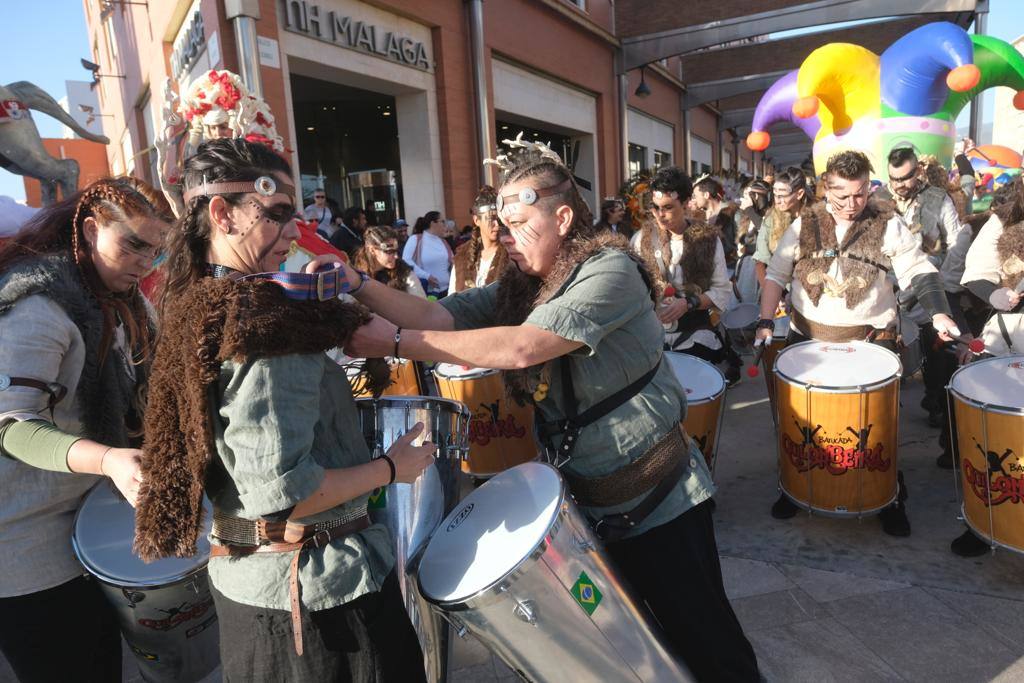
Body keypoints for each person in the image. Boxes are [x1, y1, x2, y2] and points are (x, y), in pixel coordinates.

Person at [338, 139, 760, 681]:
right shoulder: (525, 284)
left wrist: (394, 343)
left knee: (708, 642)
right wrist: (356, 283)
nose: (505, 237)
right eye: (501, 224)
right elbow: (437, 316)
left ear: (562, 217)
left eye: (518, 223)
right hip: (588, 506)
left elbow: (523, 347)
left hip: (661, 501)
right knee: (630, 651)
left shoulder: (611, 270)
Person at [133, 139, 433, 681]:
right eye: (276, 215)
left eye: (293, 216)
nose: (295, 233)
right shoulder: (270, 328)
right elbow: (284, 496)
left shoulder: (198, 301)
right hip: (317, 603)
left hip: (260, 592)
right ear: (221, 215)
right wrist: (393, 468)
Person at [0, 177, 173, 682]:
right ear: (92, 229)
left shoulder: (127, 300)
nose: (146, 262)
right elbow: (10, 424)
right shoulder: (36, 306)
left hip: (93, 530)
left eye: (157, 252)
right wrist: (110, 458)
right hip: (26, 547)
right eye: (134, 244)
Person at [756, 150, 960, 537]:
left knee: (875, 426)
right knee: (802, 424)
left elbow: (917, 268)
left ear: (869, 187)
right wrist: (766, 321)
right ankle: (795, 484)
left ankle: (889, 493)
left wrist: (939, 313)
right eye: (842, 196)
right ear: (825, 188)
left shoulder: (888, 222)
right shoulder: (804, 224)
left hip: (870, 343)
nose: (852, 205)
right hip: (807, 342)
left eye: (860, 194)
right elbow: (777, 275)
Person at [630, 168, 735, 370]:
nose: (660, 215)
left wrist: (688, 303)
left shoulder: (709, 239)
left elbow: (721, 291)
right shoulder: (641, 239)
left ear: (686, 203)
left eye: (668, 207)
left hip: (696, 336)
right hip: (653, 338)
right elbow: (631, 287)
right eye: (655, 207)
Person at [753, 167, 808, 290]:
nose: (777, 201)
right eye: (775, 195)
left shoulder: (815, 218)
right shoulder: (770, 219)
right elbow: (760, 262)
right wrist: (772, 293)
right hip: (777, 289)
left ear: (799, 194)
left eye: (783, 196)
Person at [451, 186, 510, 293]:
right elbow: (452, 296)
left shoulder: (511, 253)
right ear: (477, 220)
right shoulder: (462, 256)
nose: (497, 225)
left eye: (499, 219)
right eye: (491, 219)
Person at [352, 226, 426, 297]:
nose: (396, 256)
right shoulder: (358, 275)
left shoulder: (404, 271)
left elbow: (422, 302)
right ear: (372, 250)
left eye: (396, 251)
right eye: (390, 252)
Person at [402, 211, 453, 297]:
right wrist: (427, 276)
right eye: (442, 221)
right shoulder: (415, 239)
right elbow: (405, 261)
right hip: (426, 292)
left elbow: (453, 262)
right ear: (433, 223)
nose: (445, 225)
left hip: (447, 291)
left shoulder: (443, 241)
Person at [693, 176, 739, 268]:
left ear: (706, 195)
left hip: (729, 267)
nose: (694, 199)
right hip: (706, 269)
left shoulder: (732, 213)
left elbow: (739, 242)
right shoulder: (699, 217)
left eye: (696, 196)